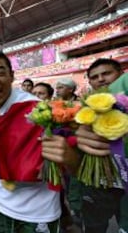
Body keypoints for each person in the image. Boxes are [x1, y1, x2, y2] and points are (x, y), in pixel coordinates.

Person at [0, 50, 80, 233]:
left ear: (12, 76)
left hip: (39, 214)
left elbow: (77, 168)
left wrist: (70, 158)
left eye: (0, 72)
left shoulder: (39, 110)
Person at [76, 58, 125, 233]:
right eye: (95, 77)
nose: (101, 79)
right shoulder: (83, 111)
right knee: (93, 228)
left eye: (106, 73)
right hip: (98, 185)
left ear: (121, 74)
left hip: (125, 185)